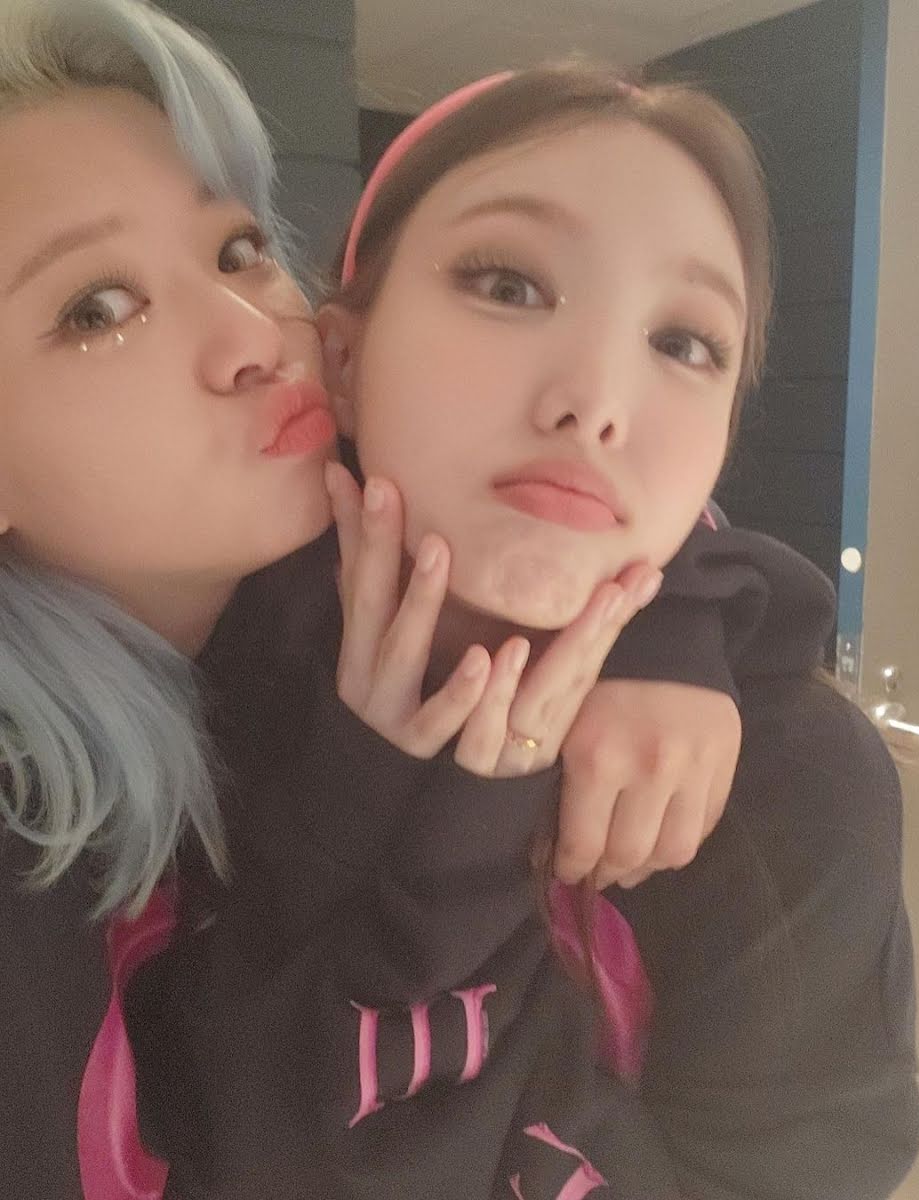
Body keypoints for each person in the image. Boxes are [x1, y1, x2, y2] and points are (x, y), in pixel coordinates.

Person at [0, 4, 826, 1197]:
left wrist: (668, 625)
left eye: (237, 251)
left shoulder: (293, 604)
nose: (254, 335)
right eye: (96, 309)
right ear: (352, 348)